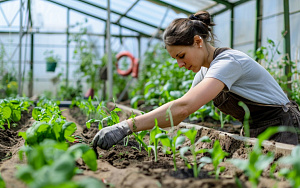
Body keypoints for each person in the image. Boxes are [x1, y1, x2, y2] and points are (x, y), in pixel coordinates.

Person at [93, 11, 300, 150]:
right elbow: (176, 112)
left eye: (181, 56)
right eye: (175, 59)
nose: (180, 64)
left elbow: (183, 108)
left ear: (198, 41)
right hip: (257, 128)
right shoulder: (204, 72)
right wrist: (136, 132)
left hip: (284, 127)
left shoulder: (228, 62)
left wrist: (126, 126)